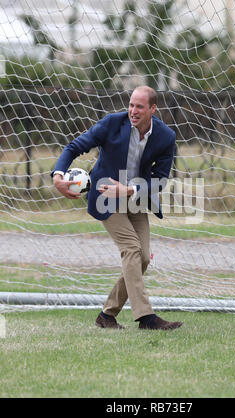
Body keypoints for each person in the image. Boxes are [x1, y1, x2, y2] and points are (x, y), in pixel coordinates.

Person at [52, 85, 182, 330]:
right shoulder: (112, 123)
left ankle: (106, 315)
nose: (133, 110)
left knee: (142, 258)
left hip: (135, 199)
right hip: (105, 196)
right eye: (131, 104)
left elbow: (161, 179)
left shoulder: (166, 137)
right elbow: (73, 147)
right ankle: (146, 317)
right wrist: (58, 175)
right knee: (132, 250)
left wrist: (130, 190)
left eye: (139, 106)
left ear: (153, 109)